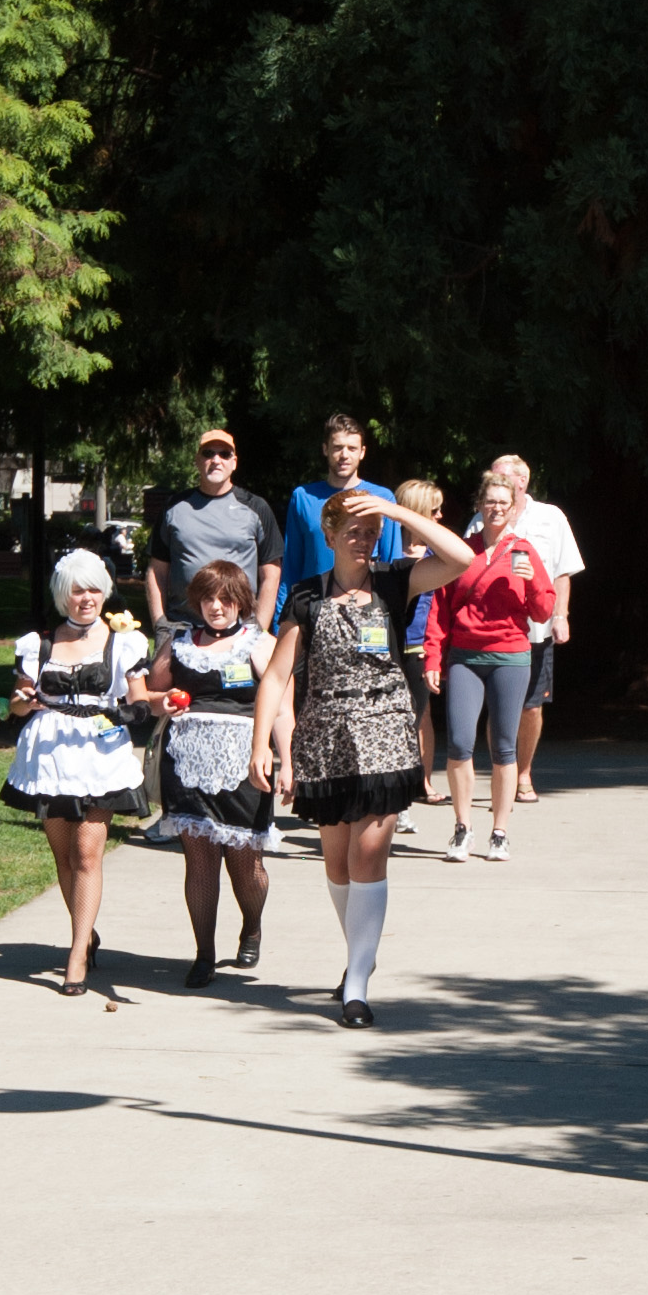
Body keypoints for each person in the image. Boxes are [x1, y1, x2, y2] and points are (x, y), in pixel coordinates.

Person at [251, 486, 473, 1025]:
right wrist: (262, 745)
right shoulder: (307, 595)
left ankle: (357, 985)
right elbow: (277, 675)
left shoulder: (395, 581)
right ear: (328, 535)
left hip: (385, 731)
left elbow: (462, 558)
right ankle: (359, 954)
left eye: (371, 533)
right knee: (337, 864)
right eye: (352, 531)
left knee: (368, 854)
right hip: (325, 737)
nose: (363, 540)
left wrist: (394, 512)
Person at [2, 548, 151, 995]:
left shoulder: (123, 642)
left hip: (99, 757)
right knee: (64, 856)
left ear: (105, 592)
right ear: (62, 595)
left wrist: (140, 710)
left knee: (86, 854)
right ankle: (86, 934)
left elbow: (140, 700)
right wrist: (22, 702)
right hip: (49, 758)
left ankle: (76, 956)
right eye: (76, 590)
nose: (86, 598)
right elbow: (15, 704)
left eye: (94, 589)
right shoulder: (39, 645)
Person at [146, 560, 275, 987]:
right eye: (207, 599)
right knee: (200, 864)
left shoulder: (260, 643)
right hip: (187, 763)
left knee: (246, 866)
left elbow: (282, 705)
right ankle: (204, 953)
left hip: (243, 764)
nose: (216, 606)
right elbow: (149, 694)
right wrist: (162, 701)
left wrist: (287, 761)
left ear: (241, 602)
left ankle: (251, 925)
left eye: (225, 598)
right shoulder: (180, 643)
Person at [426, 474, 558, 862]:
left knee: (504, 746)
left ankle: (500, 832)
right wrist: (433, 657)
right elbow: (439, 608)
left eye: (504, 502)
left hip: (511, 656)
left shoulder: (524, 552)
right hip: (465, 656)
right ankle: (462, 828)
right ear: (479, 506)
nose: (496, 508)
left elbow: (543, 612)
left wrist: (532, 583)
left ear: (514, 508)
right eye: (490, 501)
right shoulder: (463, 552)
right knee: (459, 742)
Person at [477, 455, 583, 803]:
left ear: (522, 481)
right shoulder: (481, 517)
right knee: (498, 705)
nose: (494, 484)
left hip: (536, 629)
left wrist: (561, 615)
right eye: (490, 478)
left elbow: (562, 571)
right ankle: (501, 774)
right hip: (494, 630)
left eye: (501, 477)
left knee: (531, 707)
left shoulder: (551, 517)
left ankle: (523, 773)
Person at [145, 431, 284, 636]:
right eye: (208, 453)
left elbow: (271, 574)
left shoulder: (256, 508)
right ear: (197, 460)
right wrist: (160, 623)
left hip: (239, 631)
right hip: (182, 628)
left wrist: (258, 628)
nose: (216, 460)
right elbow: (157, 571)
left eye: (224, 454)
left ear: (234, 463)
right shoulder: (174, 507)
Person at [278, 413, 405, 592]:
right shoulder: (303, 497)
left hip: (363, 602)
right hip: (312, 601)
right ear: (325, 449)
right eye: (338, 448)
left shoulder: (382, 498)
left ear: (362, 452)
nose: (344, 455)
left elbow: (392, 564)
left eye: (352, 448)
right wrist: (282, 609)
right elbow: (291, 567)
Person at [393, 480, 451, 801]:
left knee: (421, 713)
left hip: (418, 645)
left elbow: (439, 610)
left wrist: (433, 654)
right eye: (434, 510)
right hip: (384, 644)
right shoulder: (386, 547)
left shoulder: (437, 553)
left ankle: (422, 782)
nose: (440, 515)